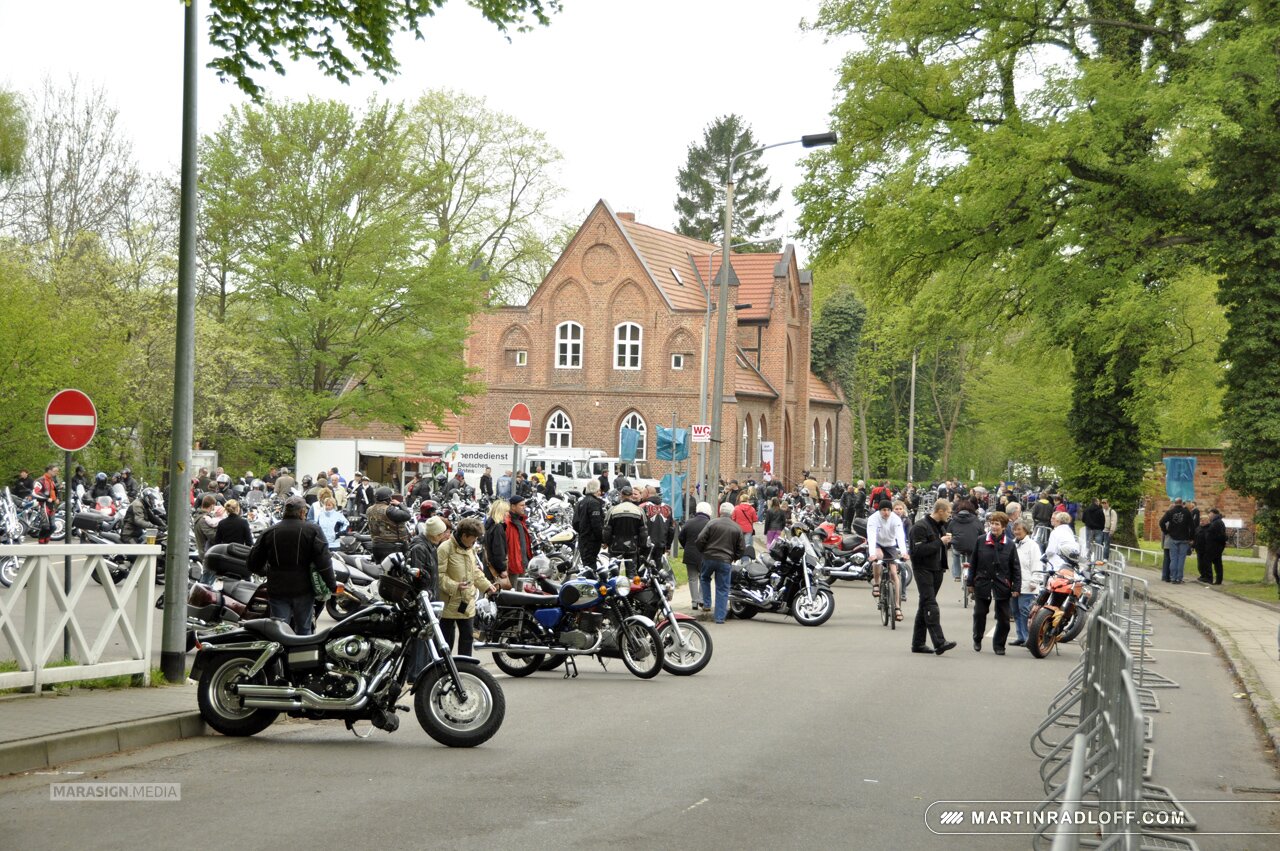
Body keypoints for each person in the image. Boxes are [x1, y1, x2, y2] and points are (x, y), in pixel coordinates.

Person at [246, 496, 337, 634]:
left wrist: (267, 572)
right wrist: (332, 585)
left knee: (279, 631)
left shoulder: (269, 531)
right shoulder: (312, 530)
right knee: (304, 630)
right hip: (303, 589)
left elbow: (253, 563)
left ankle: (281, 648)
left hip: (277, 588)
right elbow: (324, 562)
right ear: (302, 512)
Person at [436, 518, 495, 655]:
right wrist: (455, 586)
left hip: (467, 601)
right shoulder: (445, 548)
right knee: (446, 641)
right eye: (473, 538)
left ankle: (466, 666)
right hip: (449, 603)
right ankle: (443, 666)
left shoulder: (470, 548)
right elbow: (438, 576)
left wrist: (487, 586)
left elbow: (474, 571)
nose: (475, 541)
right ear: (464, 536)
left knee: (467, 638)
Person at [907, 498, 958, 655]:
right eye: (948, 512)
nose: (949, 515)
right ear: (940, 511)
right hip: (923, 569)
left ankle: (918, 644)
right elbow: (917, 551)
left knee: (924, 605)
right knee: (930, 605)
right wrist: (940, 542)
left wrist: (946, 542)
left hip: (937, 569)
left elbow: (939, 548)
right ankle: (939, 642)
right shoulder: (920, 527)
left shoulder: (940, 526)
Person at [966, 511, 1019, 654]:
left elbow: (1015, 567)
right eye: (992, 523)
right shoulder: (981, 540)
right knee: (979, 613)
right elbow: (973, 563)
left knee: (1004, 618)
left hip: (1002, 583)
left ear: (1004, 527)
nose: (994, 526)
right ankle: (977, 638)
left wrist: (1016, 587)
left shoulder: (1010, 544)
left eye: (997, 524)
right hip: (982, 581)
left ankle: (999, 645)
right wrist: (970, 583)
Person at [694, 503, 745, 624]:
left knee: (704, 578)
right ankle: (719, 617)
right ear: (732, 513)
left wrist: (703, 551)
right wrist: (734, 557)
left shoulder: (712, 523)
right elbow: (741, 548)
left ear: (720, 511)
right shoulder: (737, 528)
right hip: (725, 560)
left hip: (709, 557)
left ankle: (707, 603)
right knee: (722, 588)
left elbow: (700, 539)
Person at [868, 499, 909, 622]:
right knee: (879, 556)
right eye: (883, 510)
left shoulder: (895, 519)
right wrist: (872, 554)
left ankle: (897, 607)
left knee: (894, 574)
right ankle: (876, 583)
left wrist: (904, 552)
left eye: (888, 510)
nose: (886, 512)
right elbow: (871, 536)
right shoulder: (873, 519)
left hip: (891, 545)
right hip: (878, 544)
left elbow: (900, 536)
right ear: (879, 510)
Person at [1010, 516, 1043, 647]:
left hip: (1028, 584)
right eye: (1015, 529)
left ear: (1026, 530)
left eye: (1019, 529)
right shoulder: (1012, 544)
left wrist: (1035, 580)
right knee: (1016, 611)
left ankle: (1028, 638)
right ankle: (1021, 636)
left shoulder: (1033, 546)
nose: (1016, 532)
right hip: (1015, 584)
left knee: (1025, 611)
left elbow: (1037, 564)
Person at [603, 486, 649, 573]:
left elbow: (607, 529)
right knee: (631, 573)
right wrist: (641, 544)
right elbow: (643, 531)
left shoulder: (613, 510)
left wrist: (605, 542)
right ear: (631, 495)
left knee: (613, 572)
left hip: (615, 545)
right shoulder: (639, 510)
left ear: (621, 495)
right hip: (632, 546)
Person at [679, 502, 713, 612]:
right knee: (704, 577)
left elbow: (681, 537)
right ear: (708, 512)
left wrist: (686, 546)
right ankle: (702, 599)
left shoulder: (689, 522)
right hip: (705, 554)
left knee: (692, 578)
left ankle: (694, 601)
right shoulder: (710, 524)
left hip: (690, 554)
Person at [366, 486, 411, 563]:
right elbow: (407, 515)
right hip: (391, 547)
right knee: (396, 569)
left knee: (379, 568)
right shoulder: (389, 510)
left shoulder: (369, 509)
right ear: (388, 498)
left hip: (375, 545)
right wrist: (399, 504)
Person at [1159, 498, 1195, 584]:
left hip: (1173, 538)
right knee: (1181, 559)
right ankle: (1179, 578)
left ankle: (1173, 578)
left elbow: (1161, 522)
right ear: (1182, 503)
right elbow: (1192, 526)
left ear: (1175, 503)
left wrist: (1166, 531)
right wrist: (1191, 537)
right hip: (1184, 538)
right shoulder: (1187, 512)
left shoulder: (1170, 512)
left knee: (1173, 558)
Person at [573, 480, 606, 569]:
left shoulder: (580, 502)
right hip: (592, 541)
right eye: (599, 490)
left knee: (586, 565)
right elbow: (597, 525)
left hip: (583, 539)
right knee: (591, 567)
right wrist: (603, 539)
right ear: (596, 490)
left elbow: (575, 523)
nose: (600, 492)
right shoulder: (594, 503)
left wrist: (582, 532)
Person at [947, 498, 982, 582]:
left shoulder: (953, 520)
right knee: (971, 557)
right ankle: (971, 574)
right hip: (972, 546)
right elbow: (982, 533)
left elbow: (948, 533)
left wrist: (948, 545)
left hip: (957, 546)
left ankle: (957, 576)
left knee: (955, 555)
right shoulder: (976, 520)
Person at [1199, 508, 1228, 585]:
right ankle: (1216, 579)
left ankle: (1210, 578)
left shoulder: (1217, 523)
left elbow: (1220, 535)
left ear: (1214, 514)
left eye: (1210, 513)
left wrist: (1212, 538)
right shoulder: (1215, 522)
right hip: (1214, 546)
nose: (1209, 515)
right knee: (1216, 563)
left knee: (1210, 561)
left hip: (1214, 546)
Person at [32, 464, 60, 544]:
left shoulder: (52, 480)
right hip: (43, 504)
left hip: (52, 505)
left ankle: (46, 538)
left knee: (53, 527)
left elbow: (54, 491)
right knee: (45, 526)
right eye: (55, 471)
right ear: (49, 471)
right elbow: (35, 492)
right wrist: (46, 498)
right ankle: (41, 540)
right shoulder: (40, 480)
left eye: (57, 471)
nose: (56, 473)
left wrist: (57, 498)